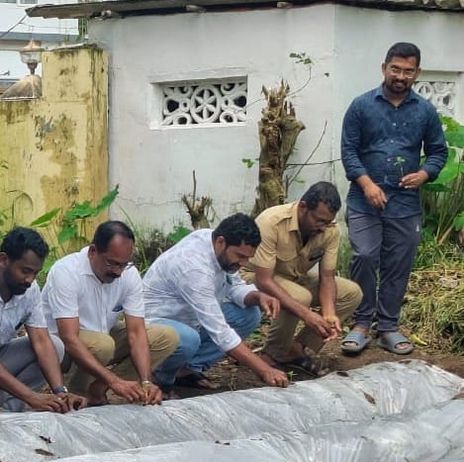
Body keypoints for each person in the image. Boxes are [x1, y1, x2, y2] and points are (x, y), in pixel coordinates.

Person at [341, 41, 447, 356]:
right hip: (364, 200)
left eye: (408, 71)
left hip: (405, 203)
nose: (400, 76)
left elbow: (438, 152)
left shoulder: (426, 111)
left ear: (417, 73)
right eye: (395, 69)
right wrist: (367, 183)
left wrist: (426, 173)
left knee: (397, 264)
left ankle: (388, 326)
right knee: (364, 255)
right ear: (384, 68)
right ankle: (361, 323)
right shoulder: (361, 106)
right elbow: (349, 150)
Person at [144, 213, 289, 391]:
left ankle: (185, 370)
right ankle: (161, 377)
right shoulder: (193, 266)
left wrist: (258, 296)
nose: (243, 263)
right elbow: (219, 331)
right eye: (240, 256)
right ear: (221, 242)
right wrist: (265, 370)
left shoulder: (218, 245)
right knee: (188, 339)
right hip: (157, 326)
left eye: (247, 258)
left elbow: (234, 286)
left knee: (249, 315)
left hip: (192, 320)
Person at [0, 227, 84, 412]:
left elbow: (42, 341)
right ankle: (4, 401)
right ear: (3, 260)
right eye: (25, 271)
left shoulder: (30, 288)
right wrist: (31, 396)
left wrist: (61, 392)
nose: (30, 279)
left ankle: (10, 407)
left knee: (55, 346)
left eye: (35, 273)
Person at [43, 221, 180, 406]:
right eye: (111, 263)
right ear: (93, 252)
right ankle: (76, 393)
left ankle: (99, 388)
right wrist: (114, 380)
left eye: (123, 265)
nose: (117, 271)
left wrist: (146, 382)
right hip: (60, 348)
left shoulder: (128, 274)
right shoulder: (66, 271)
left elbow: (137, 332)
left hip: (103, 338)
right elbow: (69, 337)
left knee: (166, 336)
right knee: (102, 345)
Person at [243, 182, 363, 375]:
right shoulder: (271, 221)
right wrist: (307, 315)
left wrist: (329, 314)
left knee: (351, 293)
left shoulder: (330, 229)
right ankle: (271, 355)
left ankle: (295, 350)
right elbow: (264, 279)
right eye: (319, 220)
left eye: (328, 221)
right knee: (299, 297)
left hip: (294, 277)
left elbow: (327, 276)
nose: (324, 227)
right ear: (303, 207)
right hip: (254, 277)